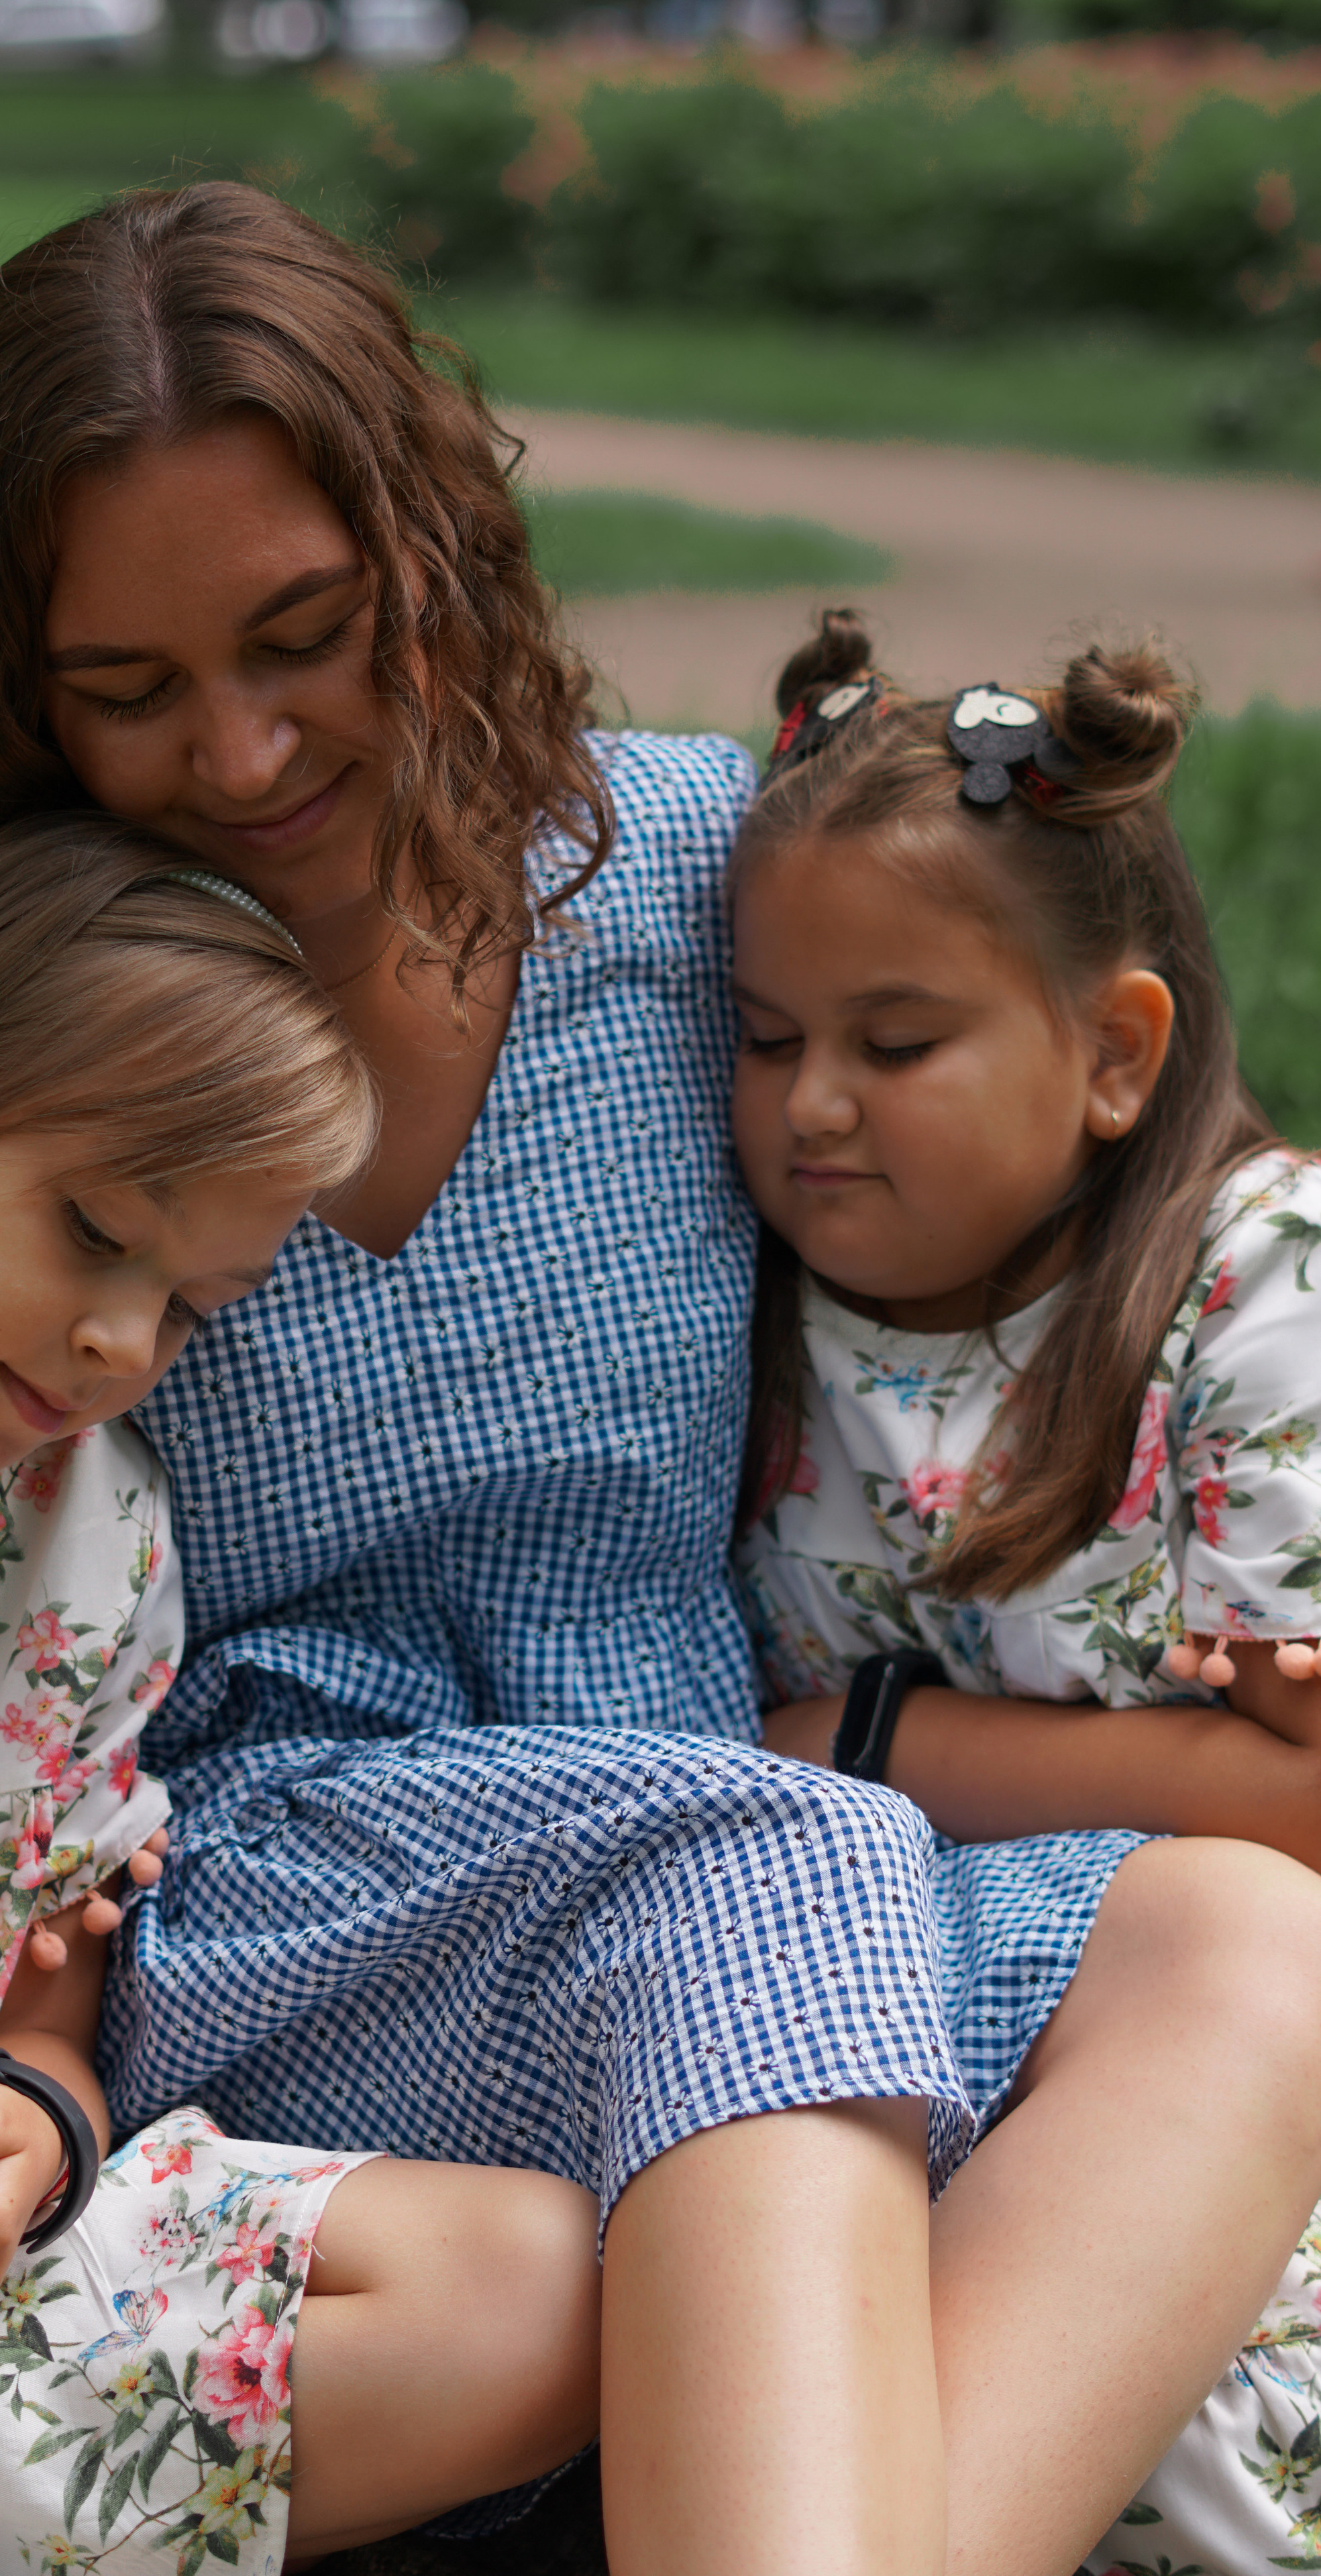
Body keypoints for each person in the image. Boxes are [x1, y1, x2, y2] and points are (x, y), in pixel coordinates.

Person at [0, 183, 1321, 2576]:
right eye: (128, 689)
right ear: (8, 681)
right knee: (775, 1869)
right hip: (227, 1910)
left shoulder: (703, 881)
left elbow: (1098, 1141)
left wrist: (1241, 1552)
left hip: (691, 1815)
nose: (239, 746)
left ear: (435, 552)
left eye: (308, 636)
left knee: (1249, 1939)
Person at [0, 814, 603, 2575]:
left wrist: (34, 2126)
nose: (124, 1347)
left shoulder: (99, 1532)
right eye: (91, 1233)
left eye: (192, 1308)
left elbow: (44, 1966)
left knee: (533, 2282)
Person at [730, 611, 1321, 2575]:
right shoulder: (744, 1310)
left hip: (1228, 2055)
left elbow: (1305, 1813)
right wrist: (1165, 1758)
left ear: (1114, 1054)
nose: (812, 1104)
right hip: (911, 2047)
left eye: (896, 1044)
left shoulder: (1253, 1285)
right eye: (767, 1036)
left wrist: (875, 1743)